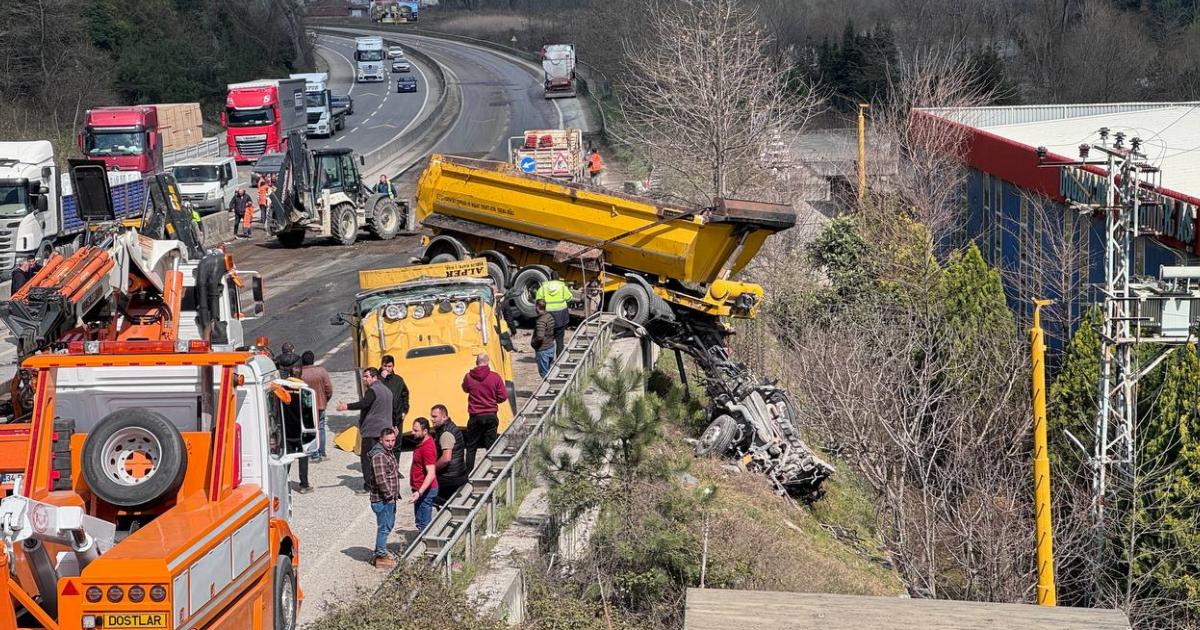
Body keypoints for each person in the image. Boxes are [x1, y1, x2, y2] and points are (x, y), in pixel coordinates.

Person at [336, 368, 394, 495]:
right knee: (381, 459)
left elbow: (364, 403)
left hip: (372, 431)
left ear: (374, 377)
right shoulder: (387, 391)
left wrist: (346, 406)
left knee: (367, 459)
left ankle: (369, 486)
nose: (364, 379)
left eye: (366, 377)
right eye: (363, 377)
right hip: (385, 431)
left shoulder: (372, 390)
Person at [461, 353, 507, 472]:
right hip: (491, 414)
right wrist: (492, 400)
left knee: (471, 446)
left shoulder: (468, 377)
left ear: (477, 362)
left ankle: (469, 472)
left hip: (475, 415)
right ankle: (493, 468)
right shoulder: (495, 377)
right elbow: (503, 396)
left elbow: (465, 389)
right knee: (490, 444)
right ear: (488, 362)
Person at [367, 427, 401, 569]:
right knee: (385, 527)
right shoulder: (380, 455)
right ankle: (381, 553)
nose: (390, 443)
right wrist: (389, 496)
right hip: (383, 499)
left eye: (393, 440)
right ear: (381, 440)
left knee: (387, 525)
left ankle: (379, 550)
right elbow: (381, 479)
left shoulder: (385, 451)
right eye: (387, 440)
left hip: (387, 498)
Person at [282, 366, 313, 493]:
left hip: (286, 428)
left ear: (290, 374)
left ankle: (283, 483)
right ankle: (304, 485)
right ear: (300, 375)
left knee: (287, 457)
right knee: (303, 457)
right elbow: (309, 411)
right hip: (301, 429)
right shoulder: (305, 390)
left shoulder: (283, 389)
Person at [430, 404, 468, 507]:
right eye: (431, 416)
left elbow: (446, 458)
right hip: (457, 474)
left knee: (423, 486)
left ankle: (444, 507)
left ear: (444, 417)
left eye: (435, 416)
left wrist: (432, 470)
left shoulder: (446, 433)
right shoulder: (449, 427)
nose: (432, 419)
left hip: (451, 477)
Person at [299, 351, 333, 462]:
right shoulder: (321, 371)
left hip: (307, 406)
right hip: (320, 404)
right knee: (321, 428)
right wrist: (325, 399)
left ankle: (313, 453)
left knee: (310, 428)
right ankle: (322, 452)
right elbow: (329, 388)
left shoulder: (301, 374)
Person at [408, 417, 438, 530]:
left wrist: (419, 492)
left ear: (425, 431)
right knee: (420, 522)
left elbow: (431, 474)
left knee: (423, 524)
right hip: (420, 489)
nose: (412, 433)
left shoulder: (427, 448)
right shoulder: (422, 443)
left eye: (416, 431)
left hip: (425, 491)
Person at [535, 273, 572, 357]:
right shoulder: (563, 287)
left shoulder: (543, 288)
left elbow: (538, 300)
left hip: (547, 317)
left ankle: (547, 357)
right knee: (559, 339)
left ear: (550, 278)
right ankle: (559, 358)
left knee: (548, 338)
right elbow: (569, 298)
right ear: (558, 278)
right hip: (561, 317)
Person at [379, 355, 410, 429]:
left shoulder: (398, 380)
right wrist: (382, 379)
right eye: (385, 366)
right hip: (382, 420)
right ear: (381, 365)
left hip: (397, 419)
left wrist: (404, 411)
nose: (387, 369)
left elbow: (405, 395)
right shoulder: (376, 380)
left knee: (398, 440)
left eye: (389, 366)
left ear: (393, 367)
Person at [531, 299, 557, 378]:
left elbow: (540, 337)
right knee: (549, 372)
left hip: (543, 350)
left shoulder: (541, 321)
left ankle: (548, 389)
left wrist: (533, 343)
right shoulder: (550, 316)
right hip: (551, 347)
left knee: (544, 374)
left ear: (538, 307)